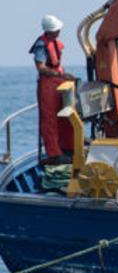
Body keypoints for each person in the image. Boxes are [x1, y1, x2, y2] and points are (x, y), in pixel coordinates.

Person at [30, 15, 77, 164]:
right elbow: (41, 68)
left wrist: (64, 77)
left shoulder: (56, 43)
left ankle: (68, 148)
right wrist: (60, 74)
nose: (59, 32)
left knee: (66, 115)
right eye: (56, 30)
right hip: (47, 85)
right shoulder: (41, 45)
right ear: (49, 31)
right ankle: (54, 154)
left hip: (59, 83)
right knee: (49, 119)